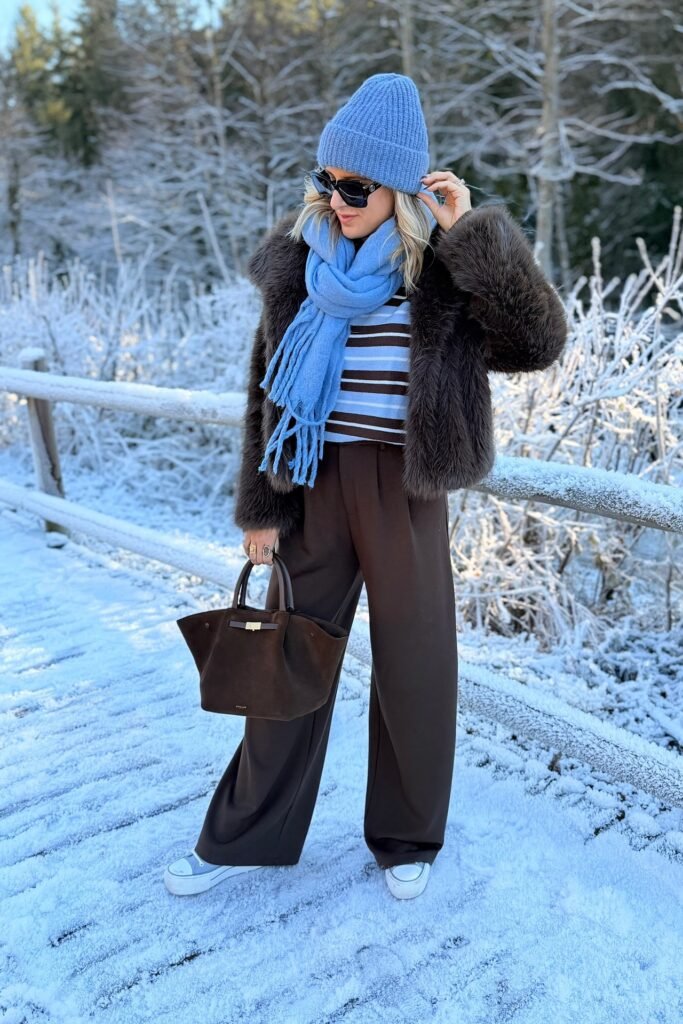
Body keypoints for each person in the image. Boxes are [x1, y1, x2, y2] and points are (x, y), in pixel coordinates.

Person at [164, 73, 568, 901]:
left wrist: (473, 234)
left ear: (399, 192)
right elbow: (265, 397)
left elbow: (536, 343)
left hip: (405, 490)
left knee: (415, 666)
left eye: (356, 187)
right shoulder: (300, 269)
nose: (335, 200)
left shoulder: (443, 276)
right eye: (327, 181)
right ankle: (241, 835)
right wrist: (262, 510)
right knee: (282, 663)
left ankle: (406, 836)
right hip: (313, 484)